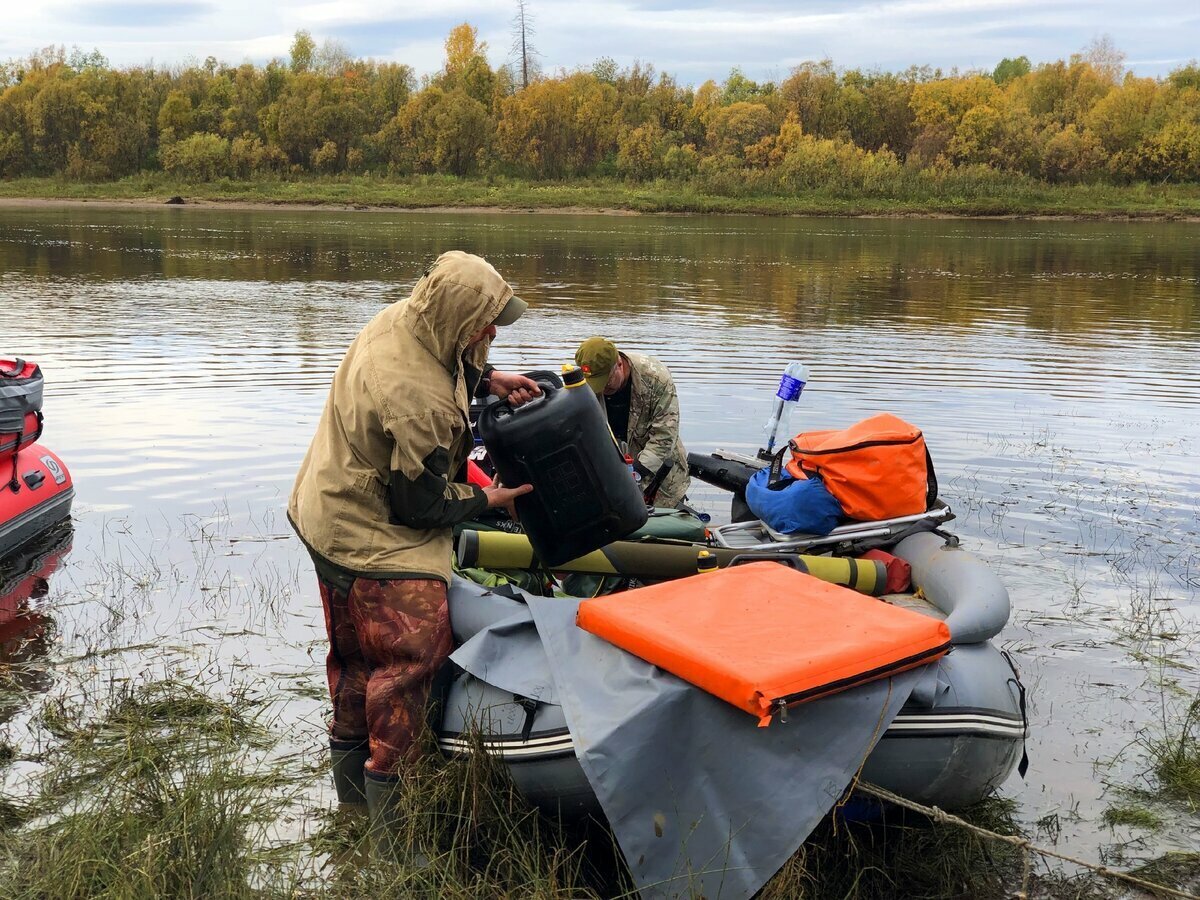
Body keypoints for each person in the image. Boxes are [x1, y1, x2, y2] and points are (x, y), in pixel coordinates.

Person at [288, 251, 538, 840]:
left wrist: (488, 375)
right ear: (460, 317)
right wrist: (491, 502)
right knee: (406, 671)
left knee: (352, 665)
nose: (493, 332)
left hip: (323, 512)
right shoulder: (418, 399)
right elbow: (420, 508)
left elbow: (443, 358)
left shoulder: (406, 319)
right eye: (486, 324)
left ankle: (351, 812)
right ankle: (396, 842)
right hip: (373, 536)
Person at [574, 337, 690, 507]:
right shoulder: (581, 383)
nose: (602, 390)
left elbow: (664, 437)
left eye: (606, 383)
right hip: (611, 477)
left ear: (619, 364)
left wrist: (635, 475)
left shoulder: (656, 378)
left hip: (660, 480)